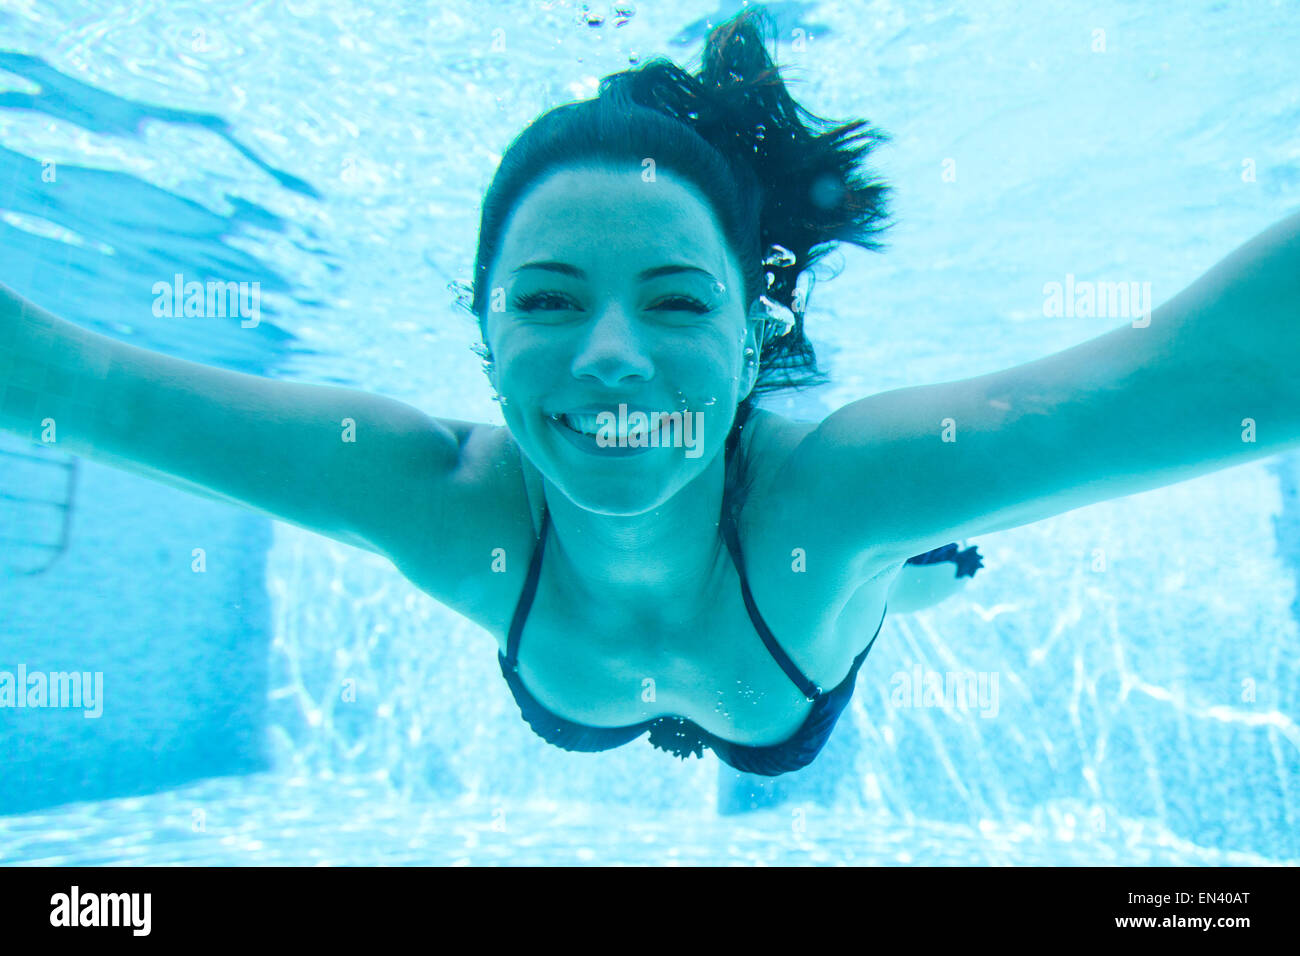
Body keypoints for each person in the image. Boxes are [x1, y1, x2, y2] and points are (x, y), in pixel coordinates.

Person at [2, 8, 1296, 778]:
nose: (611, 357)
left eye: (679, 301)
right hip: (741, 637)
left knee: (899, 572)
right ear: (485, 340)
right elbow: (68, 380)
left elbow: (1216, 375)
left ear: (752, 342)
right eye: (550, 300)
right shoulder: (436, 498)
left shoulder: (841, 493)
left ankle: (909, 587)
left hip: (796, 637)